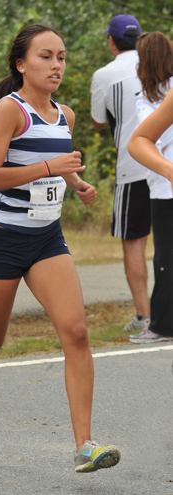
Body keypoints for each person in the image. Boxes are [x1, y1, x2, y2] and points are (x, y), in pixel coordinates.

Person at [0, 23, 121, 474]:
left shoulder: (64, 114)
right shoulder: (10, 111)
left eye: (62, 57)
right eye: (46, 56)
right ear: (20, 64)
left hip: (48, 237)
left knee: (77, 332)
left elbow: (54, 162)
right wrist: (50, 166)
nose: (56, 65)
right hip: (2, 239)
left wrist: (75, 181)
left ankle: (84, 444)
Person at [90, 14, 151, 333]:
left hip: (133, 167)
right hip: (166, 164)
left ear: (111, 42)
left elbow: (98, 121)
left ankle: (145, 316)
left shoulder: (104, 74)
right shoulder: (160, 64)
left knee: (134, 243)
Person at [128, 32, 173, 344]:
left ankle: (162, 325)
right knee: (166, 259)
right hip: (163, 184)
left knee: (166, 260)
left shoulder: (147, 99)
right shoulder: (147, 97)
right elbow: (148, 139)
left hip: (164, 186)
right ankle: (161, 323)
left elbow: (152, 138)